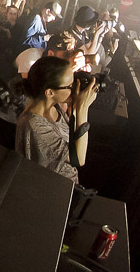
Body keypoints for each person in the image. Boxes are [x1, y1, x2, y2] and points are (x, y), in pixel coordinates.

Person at [16, 55, 98, 183]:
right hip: (54, 188)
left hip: (66, 182)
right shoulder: (33, 124)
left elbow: (72, 140)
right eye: (70, 86)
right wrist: (83, 109)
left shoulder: (54, 107)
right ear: (50, 92)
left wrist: (74, 109)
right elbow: (78, 159)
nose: (74, 89)